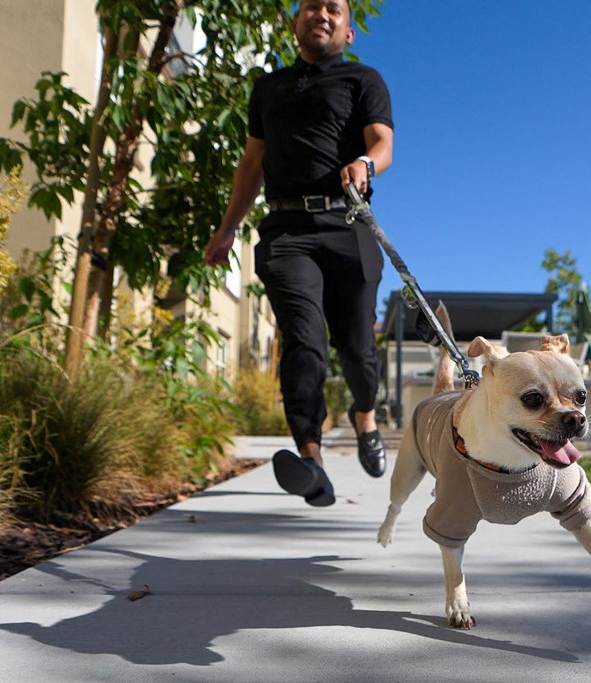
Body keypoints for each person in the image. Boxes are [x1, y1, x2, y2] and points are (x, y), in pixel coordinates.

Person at [204, 0, 393, 507]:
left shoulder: (363, 80)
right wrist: (227, 232)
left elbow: (382, 145)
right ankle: (311, 459)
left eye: (334, 9)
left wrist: (364, 165)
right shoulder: (268, 87)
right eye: (312, 6)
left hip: (347, 224)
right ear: (296, 22)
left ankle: (365, 416)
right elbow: (251, 165)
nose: (322, 14)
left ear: (349, 31)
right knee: (303, 342)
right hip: (287, 230)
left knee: (357, 349)